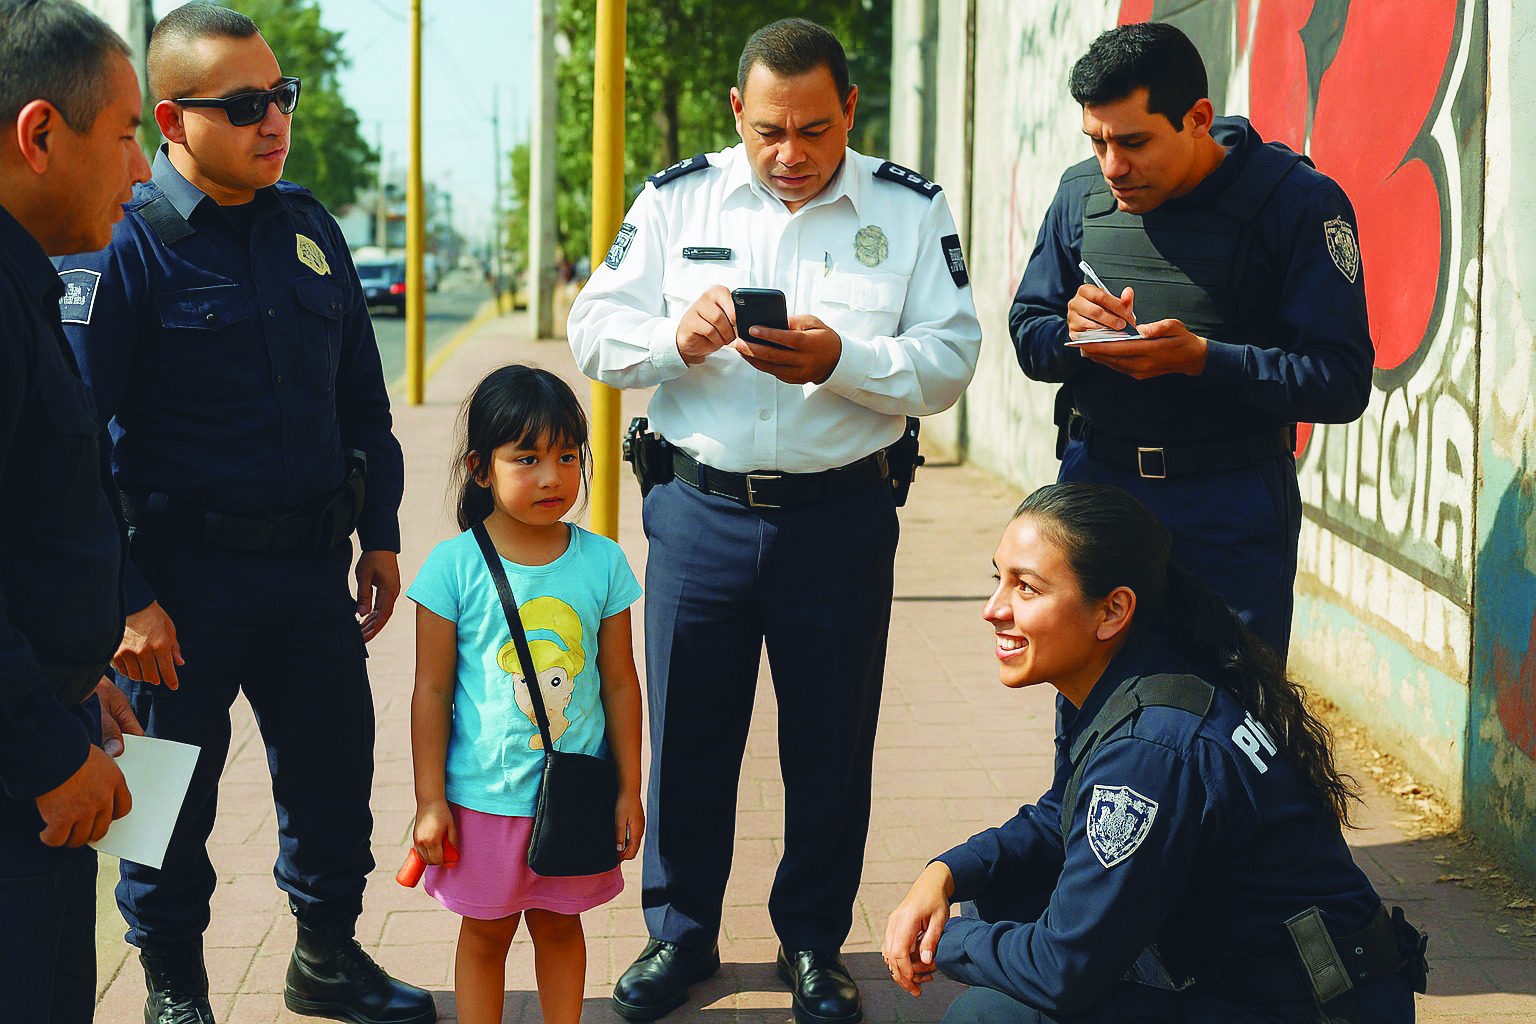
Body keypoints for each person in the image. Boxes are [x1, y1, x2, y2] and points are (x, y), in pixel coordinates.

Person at [568, 16, 981, 1023]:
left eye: (812, 130)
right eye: (767, 132)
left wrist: (845, 358)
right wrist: (676, 337)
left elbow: (951, 356)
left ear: (850, 111)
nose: (790, 155)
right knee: (690, 732)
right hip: (698, 515)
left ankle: (812, 942)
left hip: (839, 520)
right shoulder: (677, 199)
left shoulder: (908, 208)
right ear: (735, 116)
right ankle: (681, 934)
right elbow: (594, 330)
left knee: (829, 742)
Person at [52, 5, 431, 1023]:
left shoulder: (308, 229)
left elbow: (362, 397)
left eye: (283, 96)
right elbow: (72, 444)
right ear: (171, 120)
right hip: (177, 585)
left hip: (308, 573)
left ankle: (326, 955)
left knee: (332, 773)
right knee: (163, 799)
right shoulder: (124, 245)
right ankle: (173, 984)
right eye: (248, 104)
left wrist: (382, 528)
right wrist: (126, 600)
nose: (277, 120)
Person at [882, 483, 1428, 1023]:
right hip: (1295, 990)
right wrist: (945, 875)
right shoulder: (1138, 675)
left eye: (1026, 588)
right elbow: (1064, 816)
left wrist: (947, 940)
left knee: (988, 1018)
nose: (992, 609)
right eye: (998, 578)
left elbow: (1063, 971)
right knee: (1003, 894)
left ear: (1113, 611)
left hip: (1317, 1010)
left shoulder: (1150, 747)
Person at [1009, 22, 1374, 661]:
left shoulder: (1298, 204)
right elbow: (1028, 331)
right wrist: (1072, 332)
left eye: (1134, 141)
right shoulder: (1079, 195)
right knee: (1095, 718)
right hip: (1098, 494)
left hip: (1230, 503)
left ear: (1197, 118)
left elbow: (1341, 380)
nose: (1112, 167)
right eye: (1095, 142)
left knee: (1234, 726)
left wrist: (1204, 361)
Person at [407, 365, 645, 1024]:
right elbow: (430, 691)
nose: (552, 476)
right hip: (481, 800)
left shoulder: (603, 563)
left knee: (561, 929)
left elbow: (622, 683)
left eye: (567, 457)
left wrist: (630, 787)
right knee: (485, 935)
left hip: (573, 796)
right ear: (480, 468)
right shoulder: (451, 568)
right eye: (529, 458)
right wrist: (431, 801)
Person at [0, 3, 152, 1020]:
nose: (141, 170)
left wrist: (82, 674)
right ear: (42, 132)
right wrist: (46, 751)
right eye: (130, 133)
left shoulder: (28, 279)